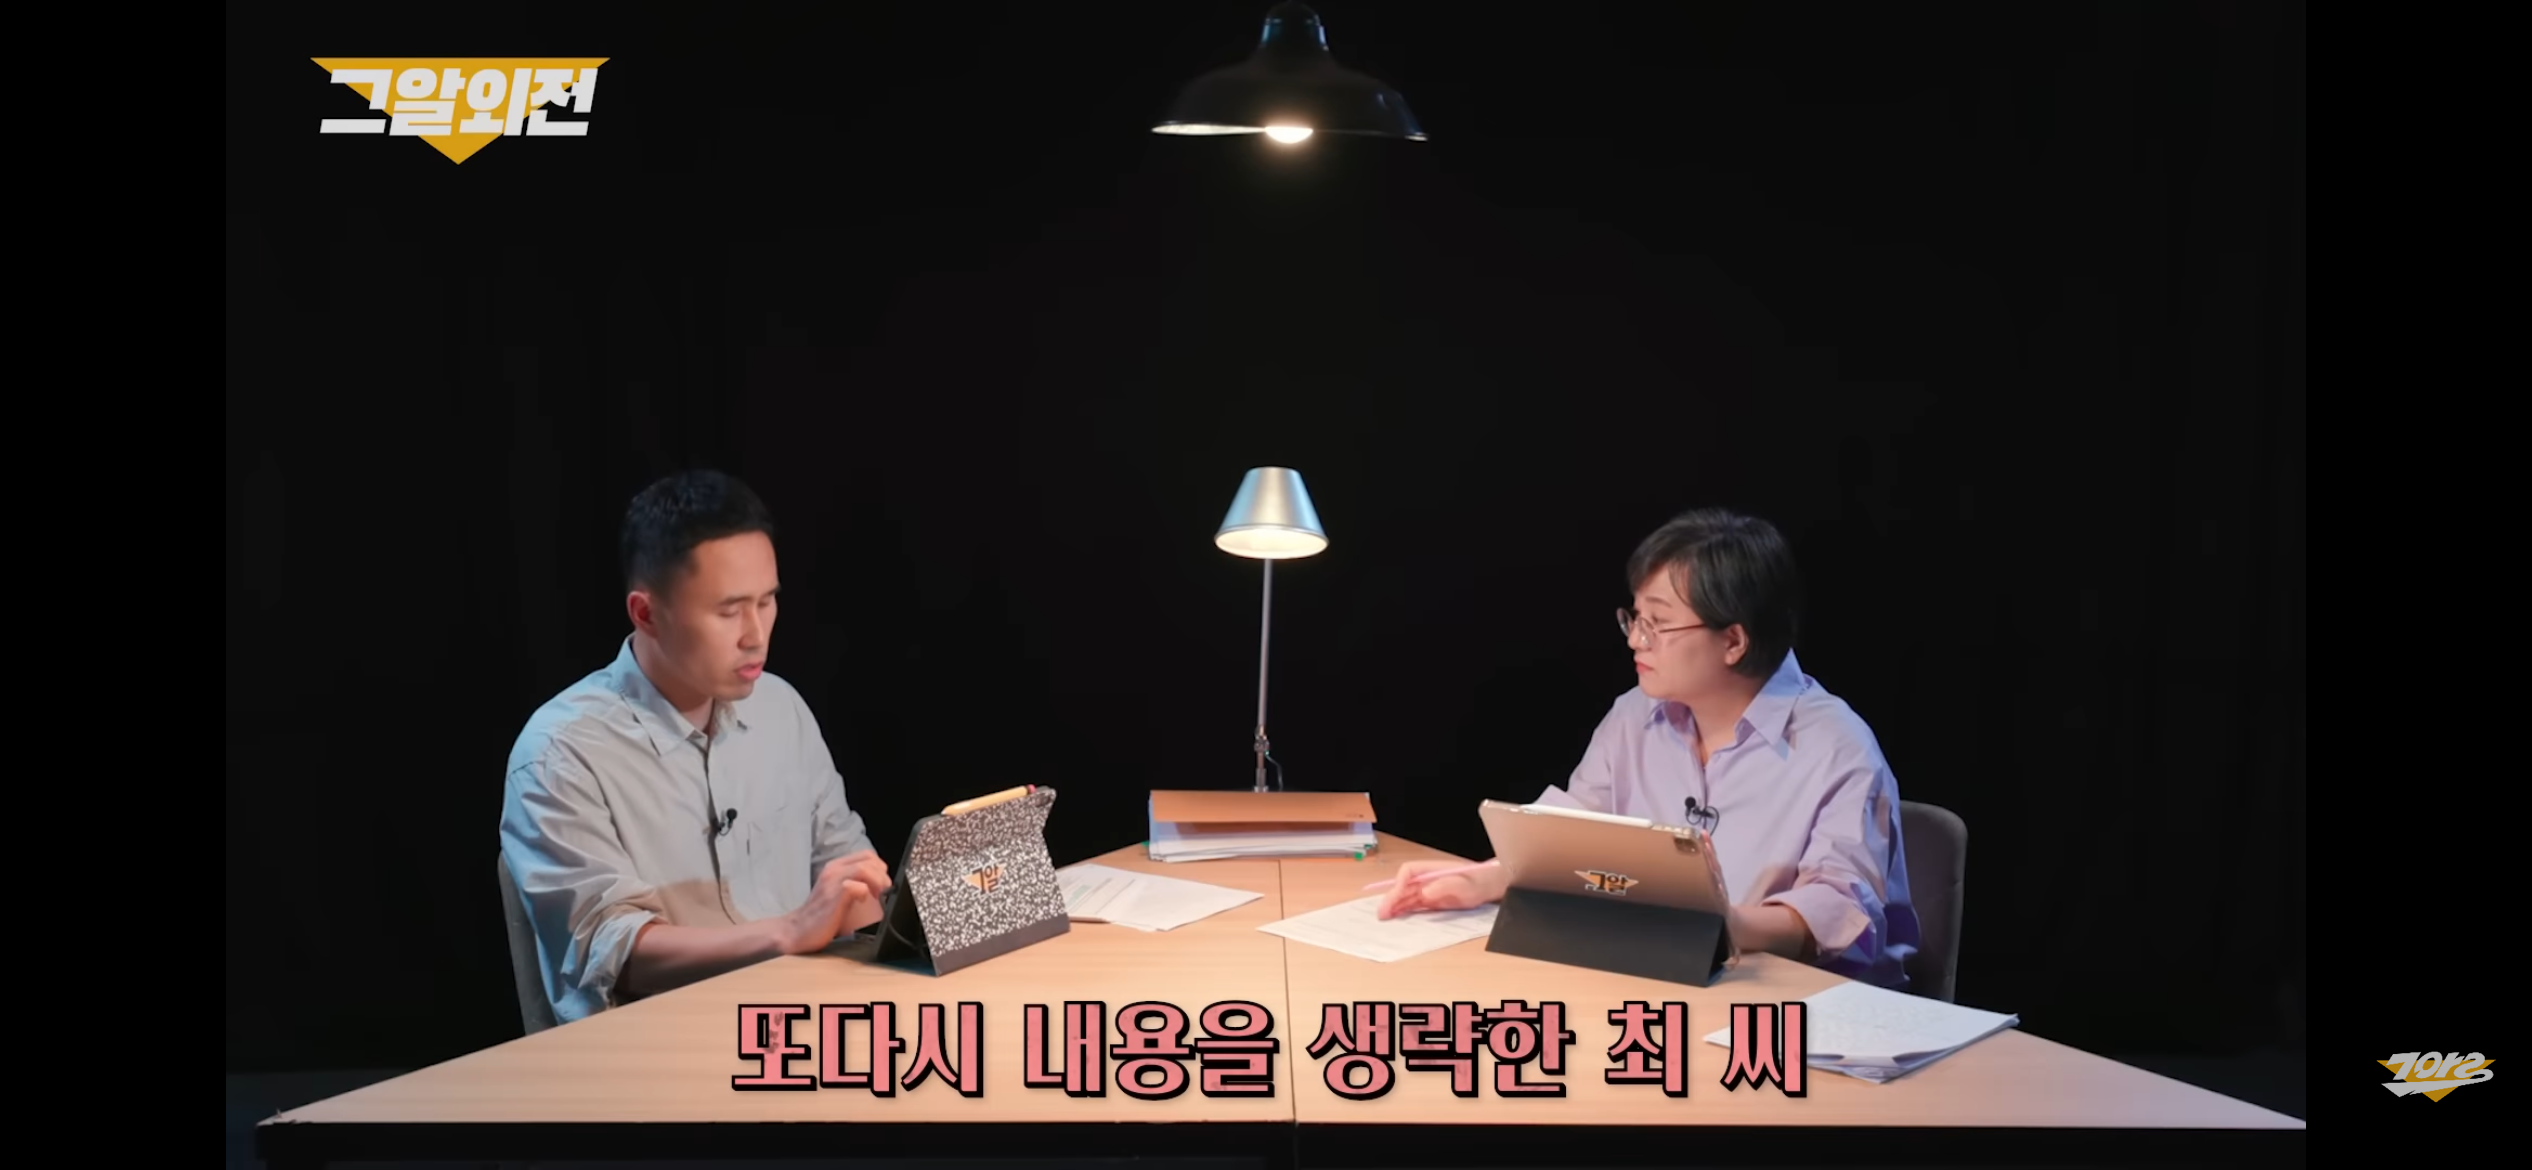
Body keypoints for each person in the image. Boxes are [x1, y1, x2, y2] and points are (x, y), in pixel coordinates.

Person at [1378, 508, 1921, 990]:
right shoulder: (1636, 714)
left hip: (1800, 1007)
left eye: (1658, 624)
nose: (1637, 640)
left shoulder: (1837, 746)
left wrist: (1717, 924)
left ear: (1734, 641)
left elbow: (1841, 911)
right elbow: (1572, 834)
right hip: (1663, 975)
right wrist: (1484, 878)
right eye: (1635, 619)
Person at [500, 470, 892, 1024]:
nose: (756, 634)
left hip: (800, 1021)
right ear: (646, 613)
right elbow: (612, 951)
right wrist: (789, 932)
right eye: (729, 611)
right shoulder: (560, 751)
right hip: (659, 1042)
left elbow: (850, 878)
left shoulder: (780, 708)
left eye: (767, 602)